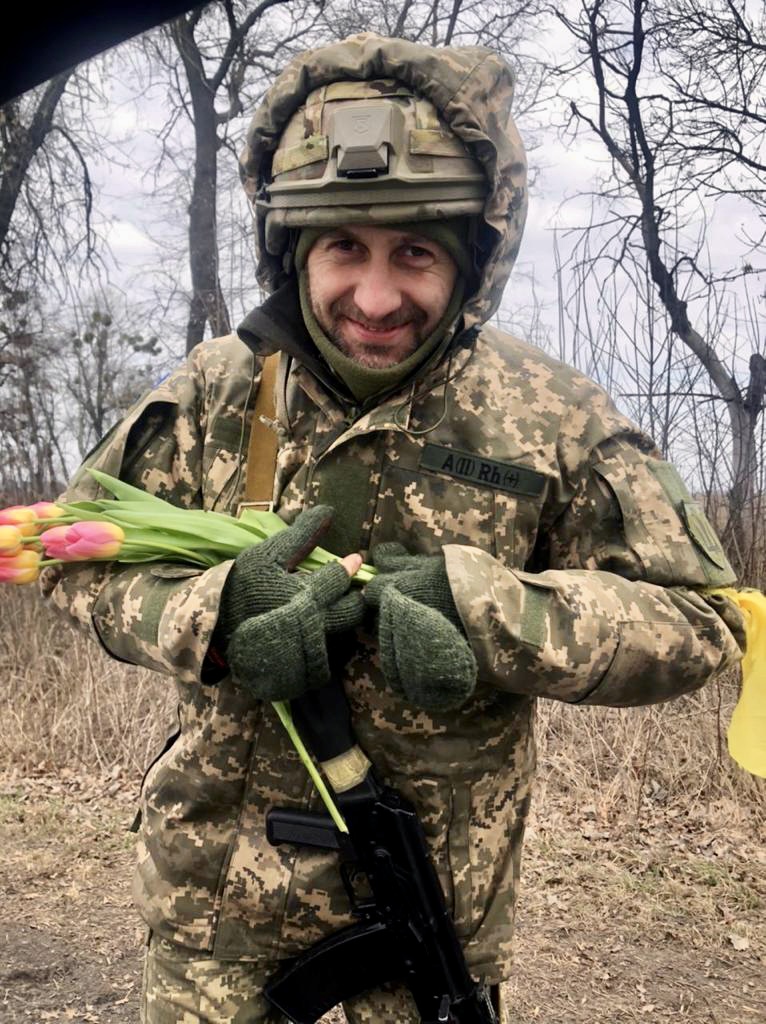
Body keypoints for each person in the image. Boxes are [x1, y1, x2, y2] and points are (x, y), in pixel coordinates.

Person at [43, 32, 745, 1024]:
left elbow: (701, 621)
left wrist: (486, 610)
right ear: (295, 249)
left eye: (414, 252)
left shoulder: (552, 417)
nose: (374, 299)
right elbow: (72, 557)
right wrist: (216, 609)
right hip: (216, 900)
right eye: (344, 249)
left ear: (474, 257)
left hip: (431, 912)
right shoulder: (216, 392)